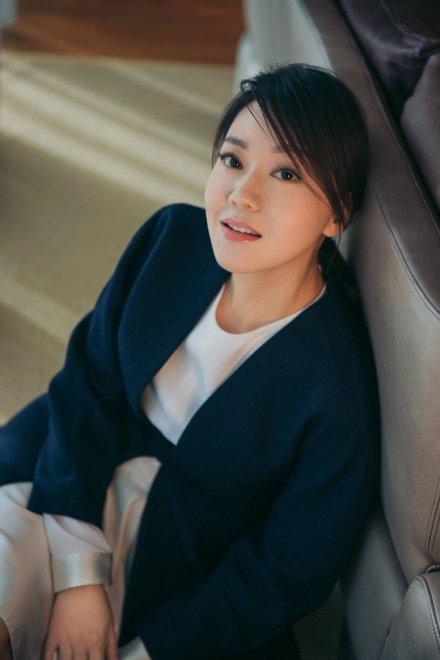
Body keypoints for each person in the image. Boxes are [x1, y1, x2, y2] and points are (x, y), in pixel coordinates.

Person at [0, 62, 381, 659]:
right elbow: (87, 384)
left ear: (337, 214)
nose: (241, 195)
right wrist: (77, 577)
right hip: (63, 483)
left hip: (184, 579)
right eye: (232, 159)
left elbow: (291, 565)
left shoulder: (337, 385)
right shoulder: (170, 240)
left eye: (285, 173)